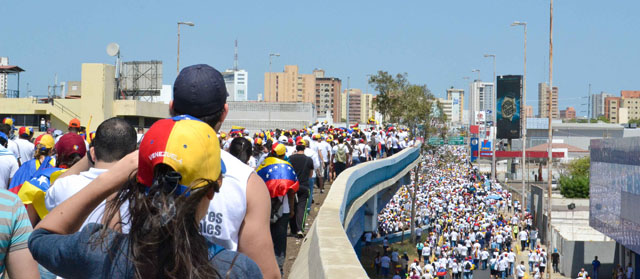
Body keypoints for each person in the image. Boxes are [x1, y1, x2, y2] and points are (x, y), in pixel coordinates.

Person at [60, 64, 280, 279]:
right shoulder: (246, 182)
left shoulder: (134, 165)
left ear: (171, 107)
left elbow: (111, 245)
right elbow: (265, 272)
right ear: (224, 112)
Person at [28, 116, 262, 278]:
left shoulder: (101, 252)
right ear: (212, 189)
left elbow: (40, 237)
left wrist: (111, 177)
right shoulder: (235, 270)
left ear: (137, 179)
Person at [45, 117, 137, 231]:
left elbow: (51, 190)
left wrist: (89, 156)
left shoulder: (63, 186)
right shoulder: (139, 197)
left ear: (92, 152)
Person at [288, 140, 314, 238]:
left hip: (292, 185)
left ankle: (293, 229)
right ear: (305, 148)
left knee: (292, 206)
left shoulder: (290, 158)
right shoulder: (309, 160)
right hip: (304, 186)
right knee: (301, 208)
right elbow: (311, 175)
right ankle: (300, 229)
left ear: (296, 147)